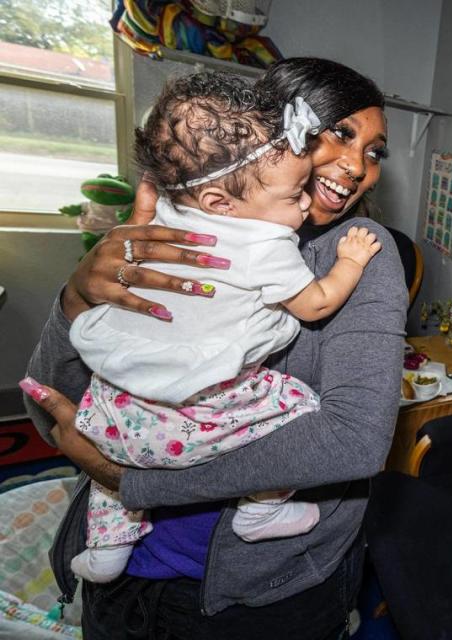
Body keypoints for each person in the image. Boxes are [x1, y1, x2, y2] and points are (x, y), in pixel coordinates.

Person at [20, 57, 406, 640]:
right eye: (340, 133)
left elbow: (352, 441)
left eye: (374, 152)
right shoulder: (171, 229)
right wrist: (76, 297)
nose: (355, 167)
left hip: (257, 600)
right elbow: (54, 408)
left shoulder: (358, 255)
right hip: (122, 584)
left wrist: (129, 482)